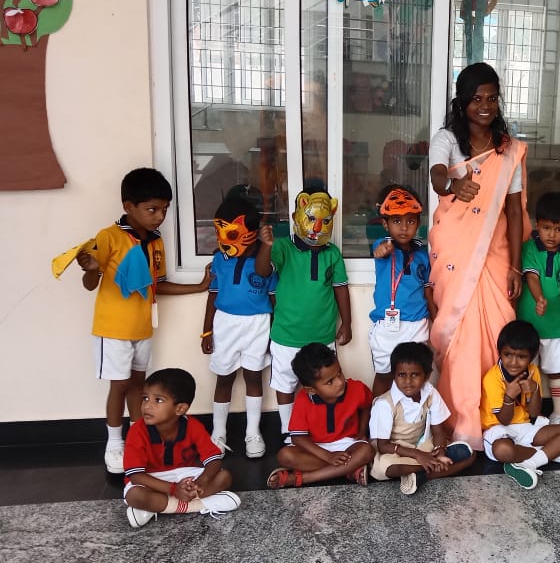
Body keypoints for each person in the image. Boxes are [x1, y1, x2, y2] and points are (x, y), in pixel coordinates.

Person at [75, 167, 212, 474]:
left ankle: (141, 440)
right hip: (113, 328)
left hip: (143, 327)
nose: (160, 216)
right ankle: (115, 444)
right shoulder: (109, 237)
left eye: (164, 209)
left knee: (140, 385)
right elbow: (90, 283)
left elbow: (156, 284)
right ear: (129, 206)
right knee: (120, 385)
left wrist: (199, 287)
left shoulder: (155, 241)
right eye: (152, 210)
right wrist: (91, 269)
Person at [428, 62, 530, 448]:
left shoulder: (508, 150)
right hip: (454, 249)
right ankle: (461, 421)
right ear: (462, 102)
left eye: (491, 98)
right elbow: (437, 175)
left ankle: (495, 418)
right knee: (460, 337)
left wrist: (516, 266)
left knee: (498, 327)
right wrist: (454, 185)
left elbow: (515, 212)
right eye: (476, 99)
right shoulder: (447, 139)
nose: (485, 106)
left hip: (496, 253)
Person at [255, 189, 352, 442]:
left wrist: (347, 323)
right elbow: (263, 271)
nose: (317, 227)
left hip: (322, 336)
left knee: (324, 384)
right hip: (287, 336)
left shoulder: (332, 253)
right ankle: (288, 430)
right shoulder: (283, 247)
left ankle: (321, 430)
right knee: (285, 384)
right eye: (311, 219)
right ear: (295, 216)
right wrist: (266, 246)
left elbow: (340, 289)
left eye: (324, 220)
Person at [200, 192, 276, 458]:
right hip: (225, 324)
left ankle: (252, 432)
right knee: (224, 378)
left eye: (231, 233)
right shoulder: (220, 259)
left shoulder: (264, 260)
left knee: (253, 377)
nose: (223, 239)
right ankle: (218, 431)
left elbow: (267, 281)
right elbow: (213, 295)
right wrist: (207, 330)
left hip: (257, 324)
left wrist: (274, 333)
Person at [123, 368, 241, 528]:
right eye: (145, 398)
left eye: (158, 400)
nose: (147, 406)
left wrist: (200, 483)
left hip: (186, 477)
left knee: (224, 476)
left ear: (180, 409)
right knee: (135, 495)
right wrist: (173, 490)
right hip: (152, 479)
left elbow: (214, 460)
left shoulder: (193, 426)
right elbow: (136, 476)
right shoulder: (137, 431)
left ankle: (157, 507)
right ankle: (201, 504)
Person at [481, 320, 560, 489]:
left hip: (525, 427)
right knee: (503, 450)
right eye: (507, 354)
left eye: (521, 357)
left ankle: (530, 463)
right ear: (499, 352)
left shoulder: (532, 371)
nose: (513, 362)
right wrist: (509, 397)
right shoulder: (492, 378)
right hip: (498, 429)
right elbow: (504, 420)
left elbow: (534, 413)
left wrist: (535, 389)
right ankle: (551, 453)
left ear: (532, 356)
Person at [369, 342, 477, 495]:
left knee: (472, 455)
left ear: (427, 375)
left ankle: (420, 474)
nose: (408, 381)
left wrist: (440, 451)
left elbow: (438, 432)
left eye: (415, 375)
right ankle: (429, 469)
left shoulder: (430, 393)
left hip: (422, 444)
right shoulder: (384, 404)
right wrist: (419, 456)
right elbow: (383, 446)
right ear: (394, 375)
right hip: (394, 450)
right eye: (401, 375)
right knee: (388, 467)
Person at [266, 343, 375, 489]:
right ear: (311, 390)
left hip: (348, 445)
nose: (340, 382)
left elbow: (367, 406)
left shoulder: (356, 388)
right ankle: (349, 469)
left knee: (367, 451)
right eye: (330, 381)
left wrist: (362, 431)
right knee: (285, 456)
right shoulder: (303, 400)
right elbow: (298, 438)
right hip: (316, 449)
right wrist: (328, 456)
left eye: (339, 373)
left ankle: (304, 478)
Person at [517, 192, 560, 425]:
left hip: (555, 325)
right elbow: (531, 276)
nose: (552, 235)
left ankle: (558, 413)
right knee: (527, 371)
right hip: (528, 324)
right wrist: (539, 298)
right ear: (537, 224)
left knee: (555, 370)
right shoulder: (528, 249)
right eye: (546, 228)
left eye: (559, 229)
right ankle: (526, 414)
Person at [369, 184, 436, 397]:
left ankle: (413, 416)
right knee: (384, 376)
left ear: (418, 224)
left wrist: (436, 319)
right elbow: (379, 251)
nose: (404, 227)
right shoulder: (383, 245)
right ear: (385, 224)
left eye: (410, 221)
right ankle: (376, 416)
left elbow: (427, 291)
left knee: (415, 377)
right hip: (387, 327)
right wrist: (384, 249)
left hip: (417, 326)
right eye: (397, 221)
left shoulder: (423, 255)